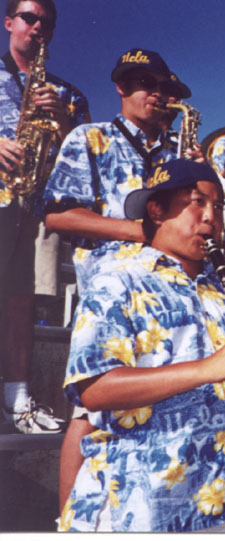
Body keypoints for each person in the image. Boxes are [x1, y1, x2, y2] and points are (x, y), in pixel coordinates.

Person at [58, 159, 225, 532]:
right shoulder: (117, 282)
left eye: (219, 207)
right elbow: (93, 390)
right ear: (157, 210)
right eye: (197, 202)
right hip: (147, 503)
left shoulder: (224, 292)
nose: (212, 218)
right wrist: (207, 369)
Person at [41, 47, 181, 510]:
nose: (155, 94)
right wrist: (140, 231)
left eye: (162, 87)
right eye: (143, 84)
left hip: (170, 290)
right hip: (111, 287)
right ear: (121, 88)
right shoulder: (90, 137)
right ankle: (66, 524)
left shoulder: (175, 151)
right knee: (91, 410)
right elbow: (59, 216)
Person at [0, 0, 89, 434]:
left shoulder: (67, 93)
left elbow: (90, 154)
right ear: (9, 22)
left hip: (34, 208)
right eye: (30, 18)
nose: (38, 28)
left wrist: (66, 120)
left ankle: (17, 400)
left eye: (46, 23)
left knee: (21, 301)